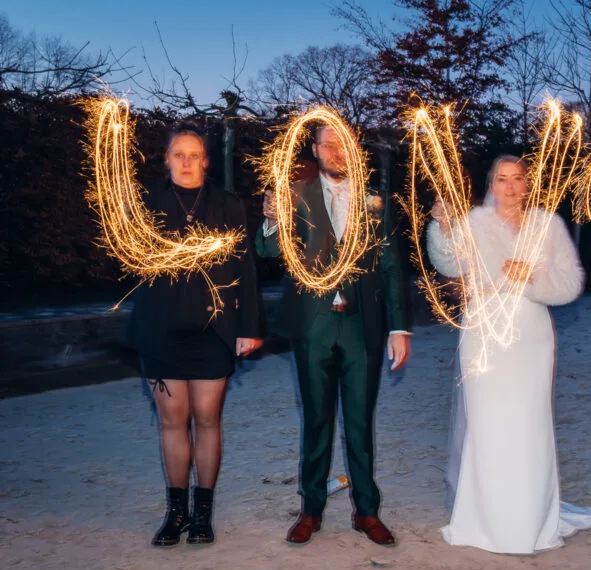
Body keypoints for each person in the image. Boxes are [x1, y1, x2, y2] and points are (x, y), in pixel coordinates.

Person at [428, 155, 591, 554]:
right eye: (501, 180)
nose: (510, 187)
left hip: (531, 335)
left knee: (529, 425)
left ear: (529, 184)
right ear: (491, 185)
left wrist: (532, 277)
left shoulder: (547, 225)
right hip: (484, 334)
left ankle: (530, 520)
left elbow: (571, 283)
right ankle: (483, 520)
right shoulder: (474, 222)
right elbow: (447, 263)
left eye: (518, 179)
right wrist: (442, 226)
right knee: (488, 425)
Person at [255, 124, 412, 547]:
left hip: (364, 327)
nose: (337, 151)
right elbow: (268, 251)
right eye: (329, 144)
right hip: (314, 326)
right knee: (317, 420)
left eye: (344, 144)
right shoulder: (297, 193)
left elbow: (394, 266)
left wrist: (399, 327)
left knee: (361, 422)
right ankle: (311, 510)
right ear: (315, 149)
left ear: (355, 149)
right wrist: (271, 220)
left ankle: (366, 511)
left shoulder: (377, 198)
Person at [127, 123, 265, 547]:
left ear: (205, 160)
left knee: (207, 419)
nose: (186, 163)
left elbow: (244, 268)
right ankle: (177, 512)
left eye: (193, 155)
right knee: (172, 421)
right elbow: (130, 260)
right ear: (166, 159)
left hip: (213, 330)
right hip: (161, 330)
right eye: (177, 155)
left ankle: (203, 513)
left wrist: (250, 327)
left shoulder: (227, 205)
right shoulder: (145, 203)